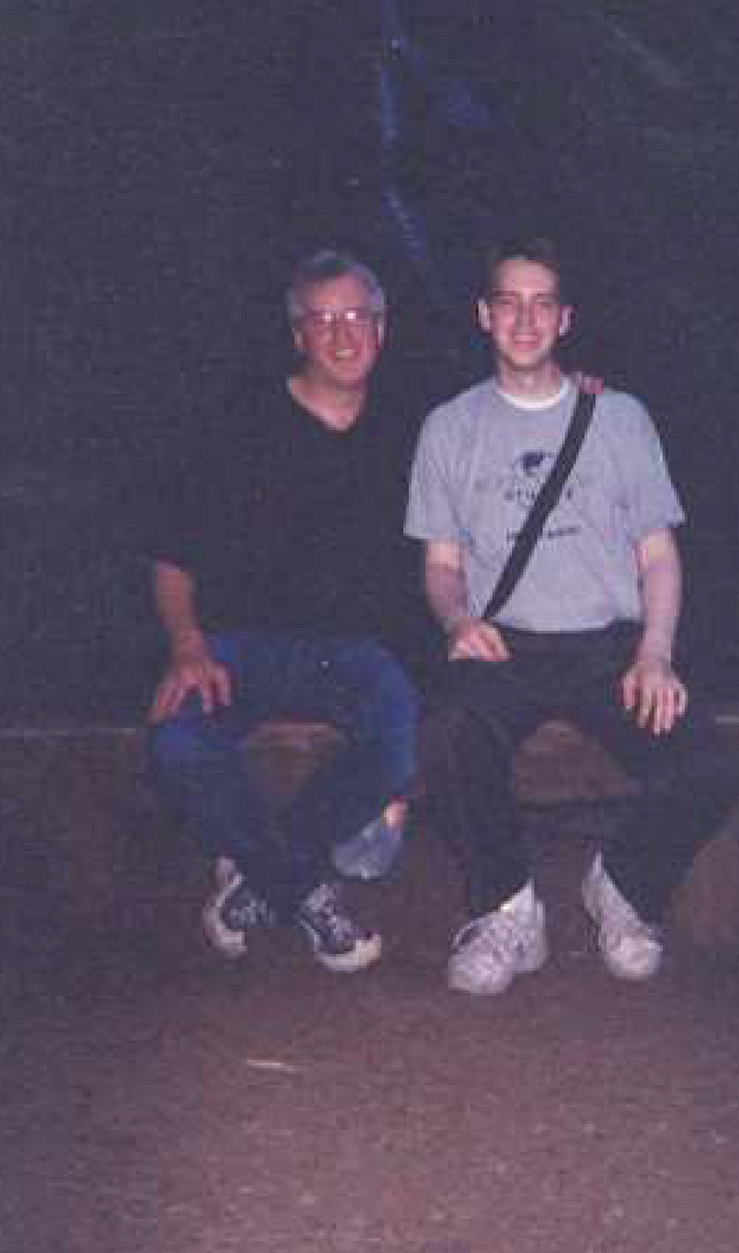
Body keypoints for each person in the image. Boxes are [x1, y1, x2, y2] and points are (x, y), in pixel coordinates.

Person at [406, 236, 733, 995]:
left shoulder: (619, 418)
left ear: (565, 318)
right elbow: (441, 566)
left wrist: (656, 652)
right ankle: (507, 908)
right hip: (504, 644)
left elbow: (657, 552)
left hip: (608, 645)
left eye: (542, 303)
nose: (525, 319)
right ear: (484, 315)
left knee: (711, 761)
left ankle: (622, 890)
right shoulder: (448, 427)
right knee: (447, 732)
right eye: (509, 303)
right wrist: (457, 622)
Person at [148, 249, 419, 972]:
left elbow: (510, 425)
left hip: (356, 652)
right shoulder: (239, 425)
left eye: (356, 315)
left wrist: (578, 388)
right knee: (177, 738)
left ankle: (259, 875)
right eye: (322, 319)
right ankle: (304, 890)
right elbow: (172, 556)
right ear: (298, 334)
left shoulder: (414, 429)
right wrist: (187, 646)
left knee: (400, 738)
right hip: (243, 646)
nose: (341, 334)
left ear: (381, 329)